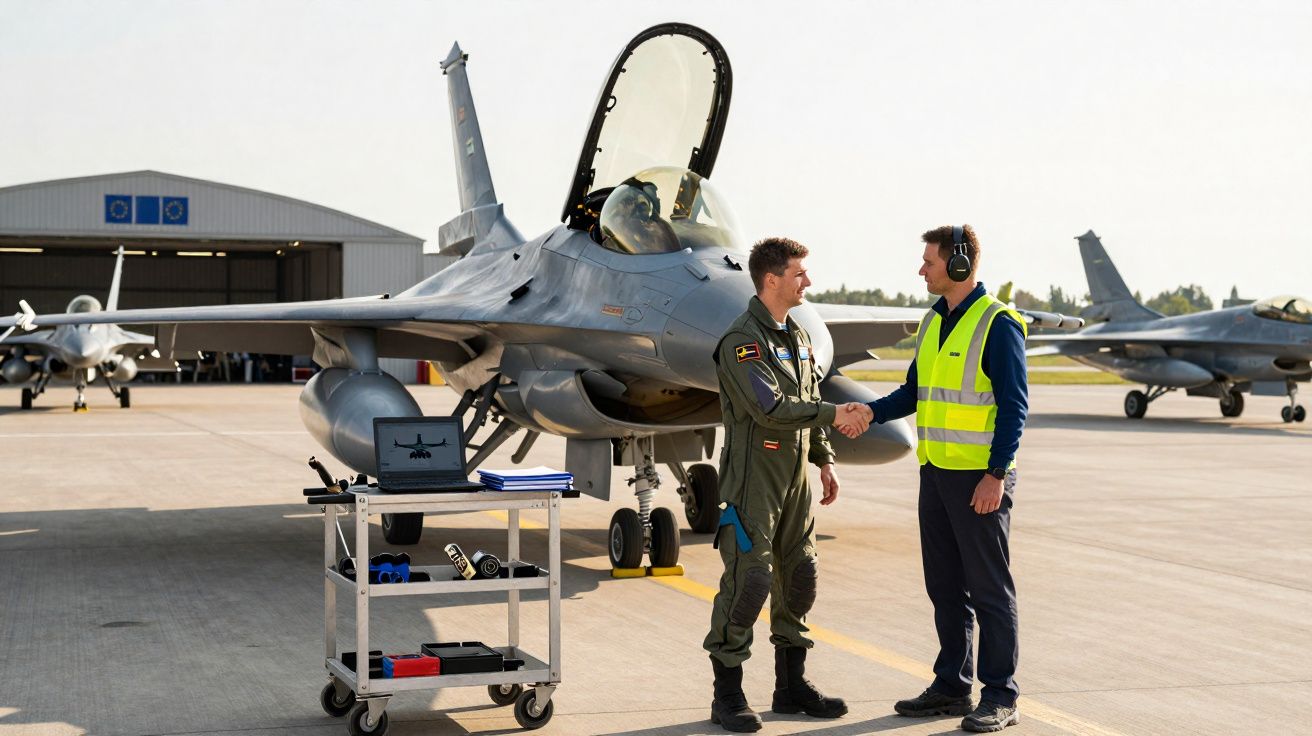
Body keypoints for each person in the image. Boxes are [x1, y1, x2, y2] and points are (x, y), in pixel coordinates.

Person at [855, 225, 1028, 732]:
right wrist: (868, 413)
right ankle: (952, 685)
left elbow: (1015, 408)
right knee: (946, 588)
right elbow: (914, 393)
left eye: (928, 261)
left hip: (980, 479)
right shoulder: (934, 322)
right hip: (935, 475)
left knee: (990, 589)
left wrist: (995, 475)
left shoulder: (998, 323)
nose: (921, 269)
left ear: (958, 265)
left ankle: (1000, 694)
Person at [703, 236, 869, 732]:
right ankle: (727, 695)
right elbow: (772, 408)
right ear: (771, 279)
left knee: (801, 576)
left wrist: (824, 458)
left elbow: (807, 397)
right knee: (749, 580)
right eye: (799, 273)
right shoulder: (742, 343)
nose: (808, 282)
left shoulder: (794, 336)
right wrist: (837, 414)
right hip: (755, 477)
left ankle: (790, 687)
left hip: (795, 476)